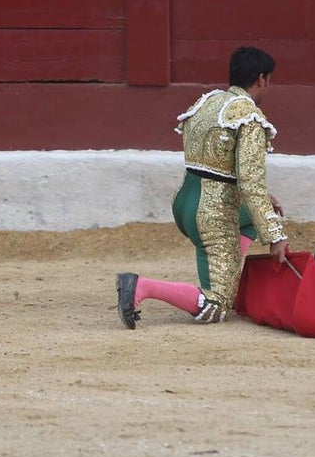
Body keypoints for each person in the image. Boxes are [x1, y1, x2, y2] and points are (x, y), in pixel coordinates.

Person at [116, 45, 288, 330]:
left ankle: (228, 277)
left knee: (253, 217)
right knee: (215, 307)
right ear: (262, 79)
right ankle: (141, 287)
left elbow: (216, 163)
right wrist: (276, 236)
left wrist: (264, 205)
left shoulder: (208, 102)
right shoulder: (250, 116)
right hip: (211, 214)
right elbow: (250, 181)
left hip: (185, 203)